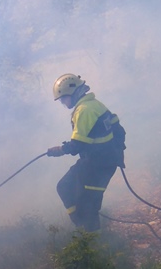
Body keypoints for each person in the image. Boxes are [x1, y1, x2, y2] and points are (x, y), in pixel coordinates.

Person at [46, 74, 126, 232]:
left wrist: (60, 150)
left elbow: (78, 145)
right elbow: (119, 130)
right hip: (93, 161)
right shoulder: (94, 104)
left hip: (99, 165)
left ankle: (91, 238)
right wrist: (116, 152)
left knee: (88, 204)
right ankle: (81, 226)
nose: (63, 103)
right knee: (65, 186)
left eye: (63, 98)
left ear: (73, 93)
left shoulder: (84, 110)